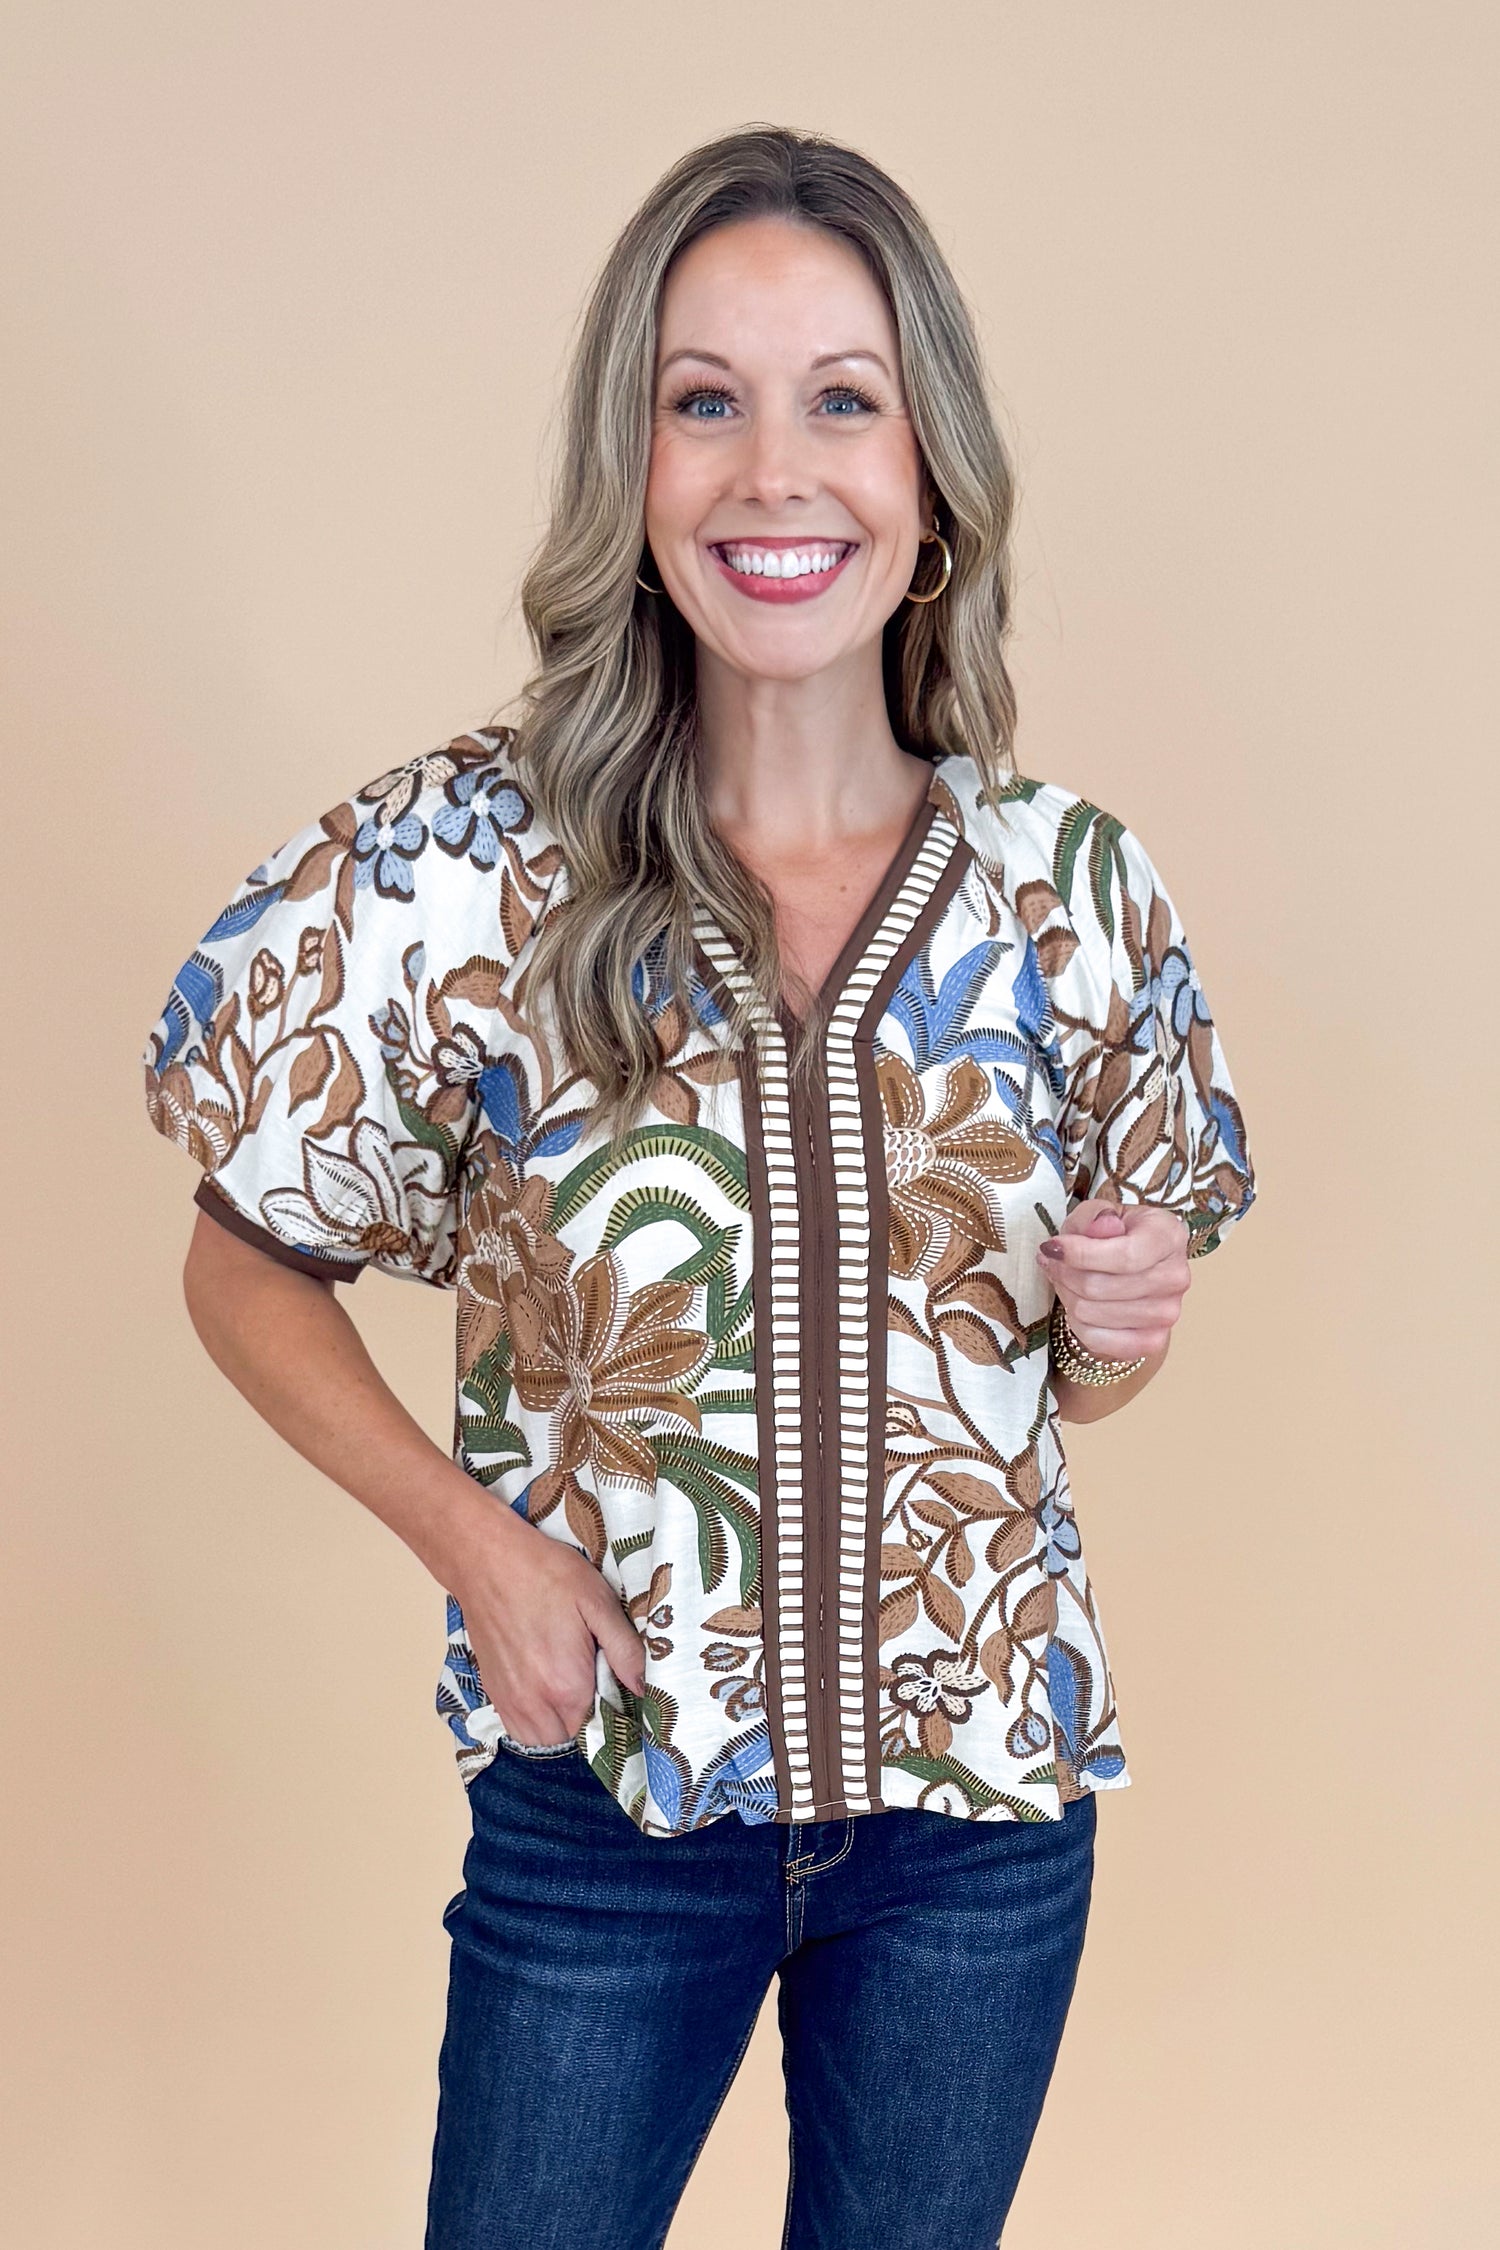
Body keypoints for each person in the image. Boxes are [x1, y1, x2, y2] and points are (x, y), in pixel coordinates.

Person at [142, 123, 1256, 2250]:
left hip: (978, 1826)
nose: (775, 474)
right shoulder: (465, 868)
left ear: (928, 473)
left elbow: (1068, 1383)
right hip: (607, 1822)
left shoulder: (1070, 892)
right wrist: (474, 1546)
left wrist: (1122, 1324)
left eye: (842, 400)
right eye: (704, 401)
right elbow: (240, 1266)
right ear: (631, 464)